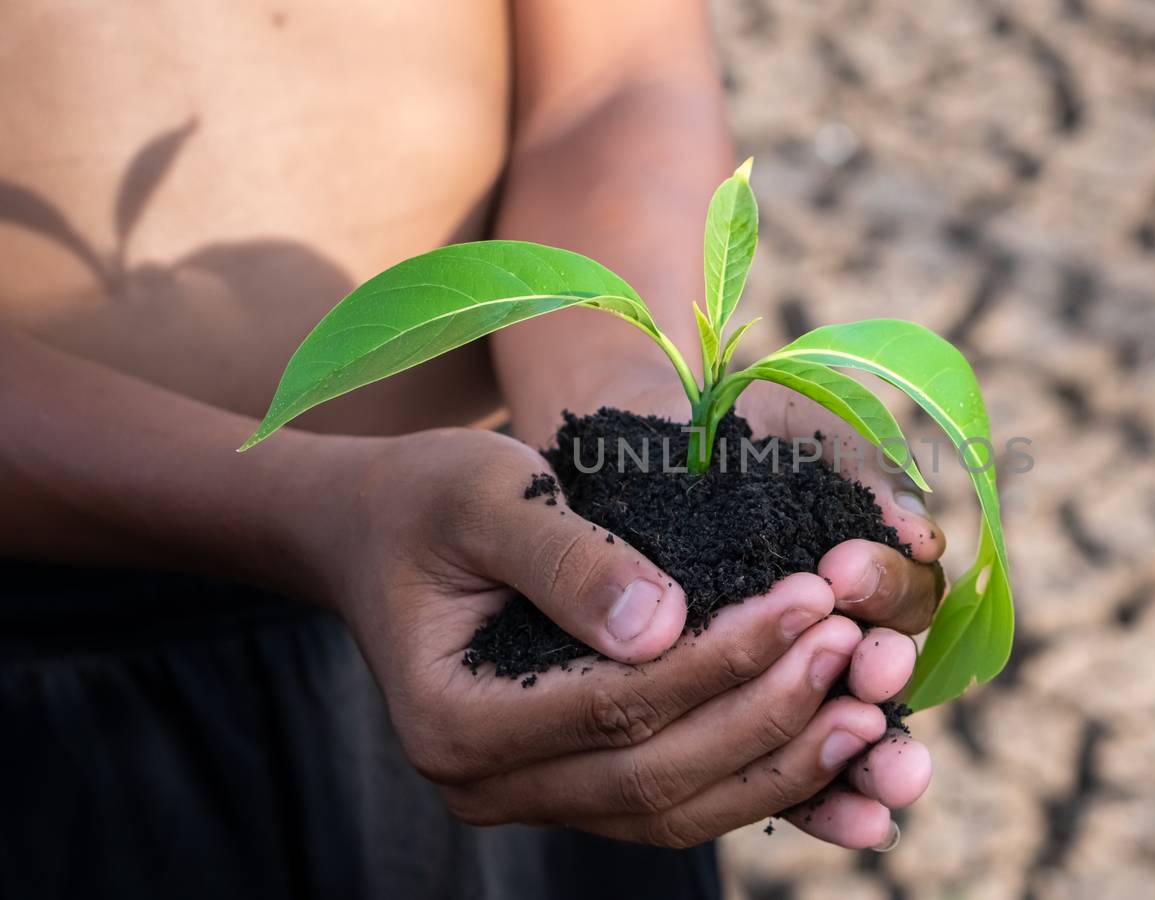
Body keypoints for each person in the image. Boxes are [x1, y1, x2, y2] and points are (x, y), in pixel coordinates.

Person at [0, 2, 946, 897]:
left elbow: (610, 79)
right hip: (60, 646)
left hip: (498, 546)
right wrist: (308, 502)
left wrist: (627, 401)